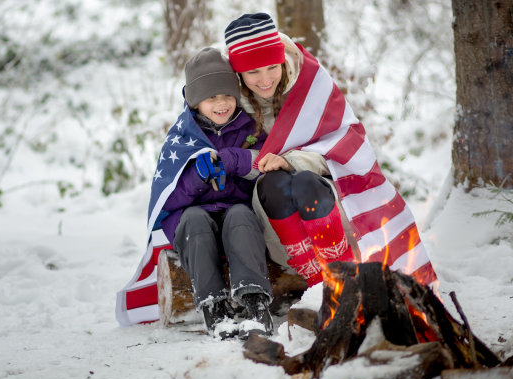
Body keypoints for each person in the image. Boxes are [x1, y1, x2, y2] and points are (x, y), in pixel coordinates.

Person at [223, 13, 438, 289]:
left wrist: (290, 161)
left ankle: (343, 271)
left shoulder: (310, 85)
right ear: (238, 72)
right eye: (253, 72)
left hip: (327, 210)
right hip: (276, 224)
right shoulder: (228, 105)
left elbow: (346, 148)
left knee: (305, 181)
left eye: (272, 68)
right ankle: (316, 283)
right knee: (274, 182)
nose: (265, 80)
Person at [156, 47, 273, 339]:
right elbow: (166, 197)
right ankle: (213, 305)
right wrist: (197, 177)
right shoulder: (181, 138)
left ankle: (255, 301)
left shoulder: (251, 128)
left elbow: (268, 165)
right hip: (192, 219)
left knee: (240, 215)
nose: (221, 104)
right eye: (211, 98)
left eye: (227, 95)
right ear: (195, 102)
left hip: (236, 209)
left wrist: (236, 161)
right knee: (194, 219)